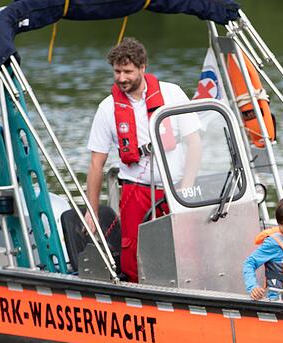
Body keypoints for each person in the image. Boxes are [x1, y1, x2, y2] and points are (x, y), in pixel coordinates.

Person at [84, 37, 202, 282]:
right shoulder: (107, 108)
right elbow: (97, 162)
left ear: (142, 67)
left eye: (127, 71)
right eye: (117, 72)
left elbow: (195, 143)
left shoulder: (172, 93)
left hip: (176, 189)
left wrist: (187, 185)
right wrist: (91, 211)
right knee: (134, 254)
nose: (122, 78)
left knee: (185, 248)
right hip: (134, 192)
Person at [242, 195, 283, 300]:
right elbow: (249, 263)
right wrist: (253, 287)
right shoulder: (273, 243)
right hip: (278, 300)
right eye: (281, 224)